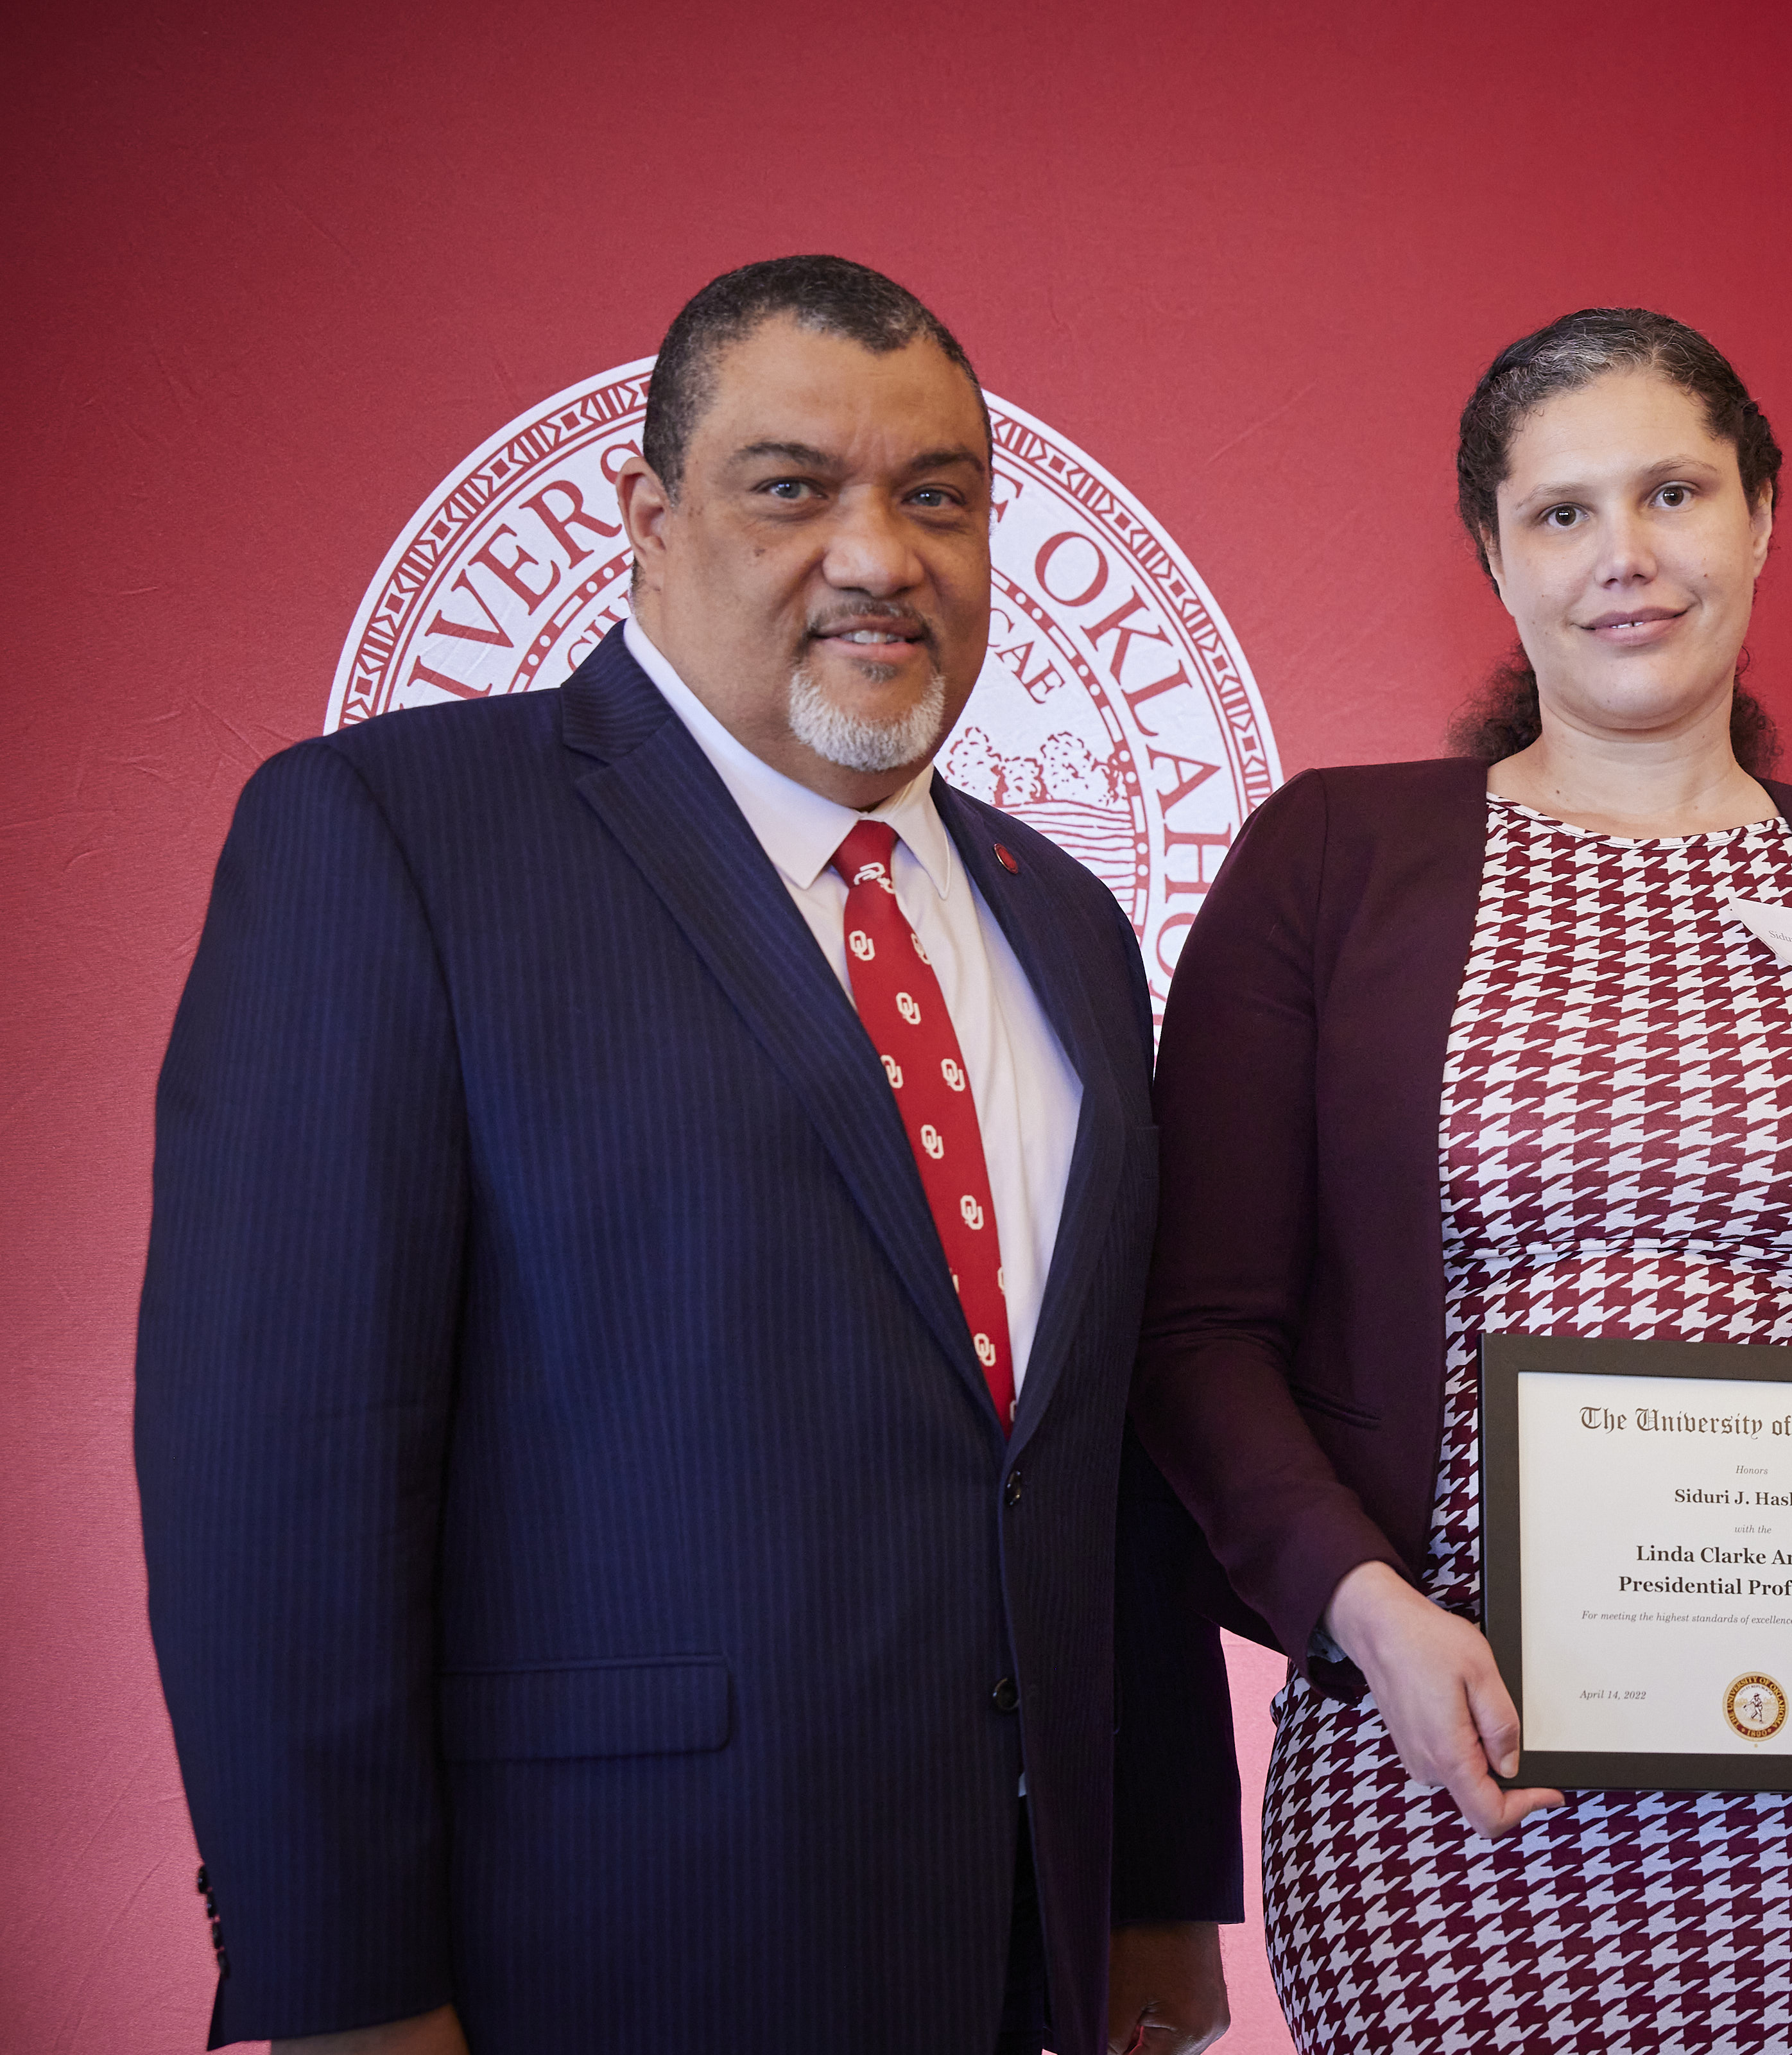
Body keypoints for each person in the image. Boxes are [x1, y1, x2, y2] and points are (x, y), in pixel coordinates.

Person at [136, 256, 1239, 2055]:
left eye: (937, 496)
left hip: (1016, 1962)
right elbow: (282, 1478)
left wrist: (1155, 1886)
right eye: (793, 485)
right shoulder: (392, 841)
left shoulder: (1072, 927)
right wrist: (345, 1989)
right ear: (647, 519)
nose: (881, 553)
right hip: (596, 1952)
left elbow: (1101, 1465)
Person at [1130, 307, 1792, 2051]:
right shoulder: (1330, 864)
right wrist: (1368, 1622)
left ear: (1762, 513)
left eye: (1673, 492)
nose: (1625, 558)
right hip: (1452, 1763)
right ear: (1490, 553)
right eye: (1562, 512)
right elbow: (1200, 1332)